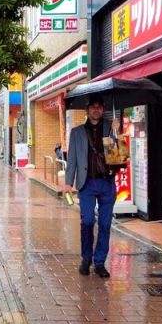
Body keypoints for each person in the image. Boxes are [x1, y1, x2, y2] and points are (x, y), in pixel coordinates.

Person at [64, 95, 124, 279]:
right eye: (93, 107)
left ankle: (99, 263)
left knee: (105, 224)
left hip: (107, 183)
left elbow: (120, 157)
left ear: (103, 109)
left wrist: (118, 134)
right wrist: (68, 182)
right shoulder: (77, 132)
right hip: (86, 183)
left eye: (99, 107)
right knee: (87, 221)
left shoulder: (111, 127)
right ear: (87, 110)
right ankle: (86, 258)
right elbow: (72, 158)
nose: (96, 110)